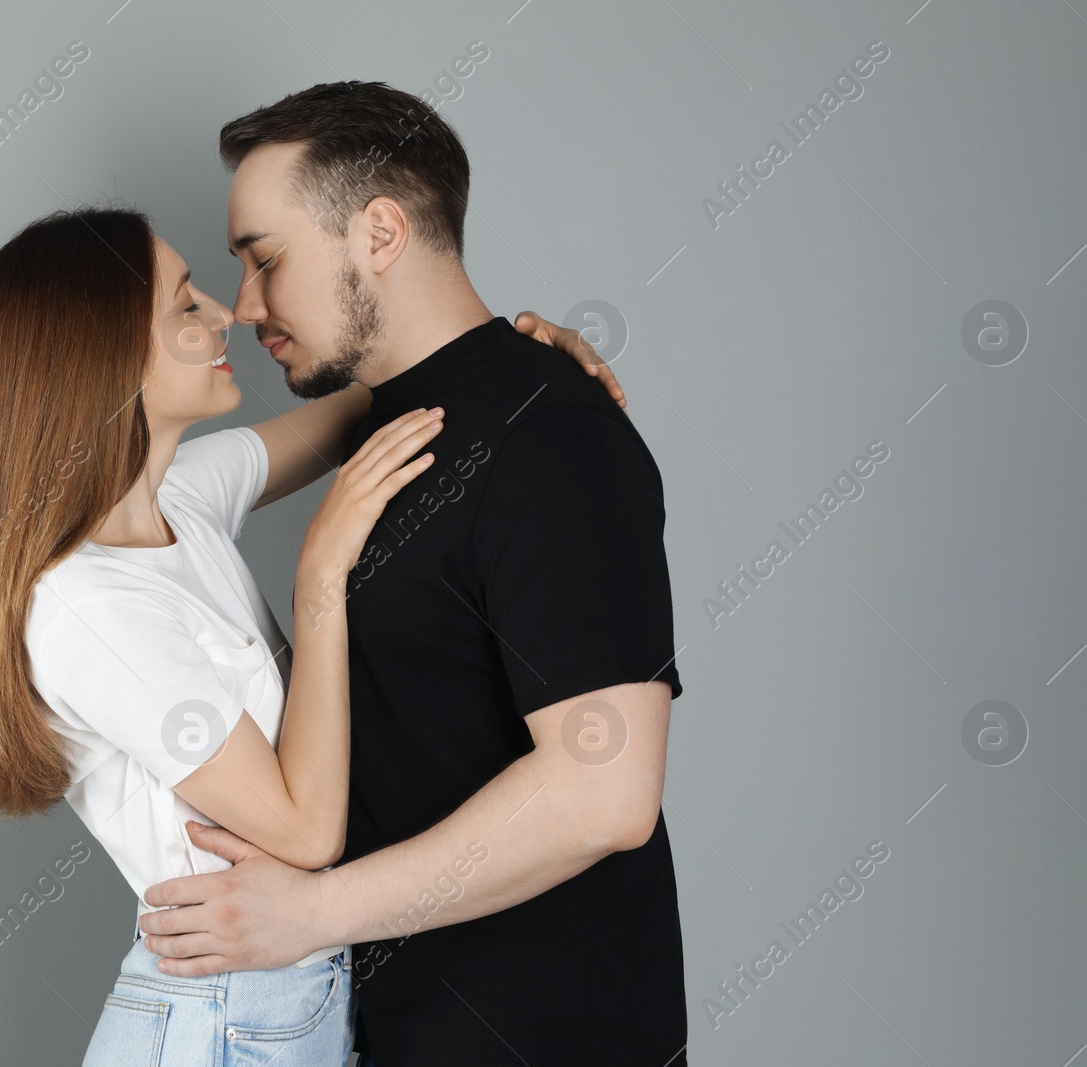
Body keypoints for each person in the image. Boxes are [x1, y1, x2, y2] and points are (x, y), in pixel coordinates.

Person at [0, 204, 617, 1066]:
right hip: (219, 1022)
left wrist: (513, 358)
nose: (225, 315)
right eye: (185, 306)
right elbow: (304, 832)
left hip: (282, 1002)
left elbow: (377, 406)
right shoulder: (88, 605)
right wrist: (319, 579)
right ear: (102, 357)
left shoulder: (179, 502)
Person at [135, 81, 689, 1067]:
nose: (248, 303)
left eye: (265, 258)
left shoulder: (551, 436)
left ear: (379, 232)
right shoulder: (405, 424)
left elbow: (604, 792)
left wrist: (310, 912)